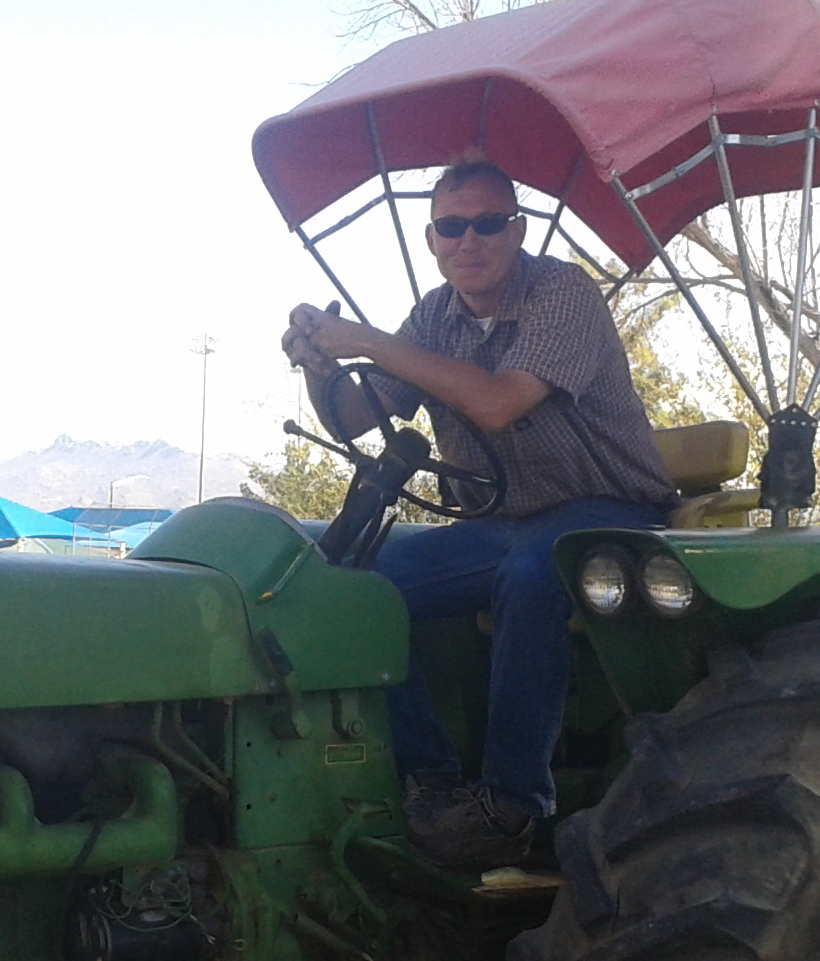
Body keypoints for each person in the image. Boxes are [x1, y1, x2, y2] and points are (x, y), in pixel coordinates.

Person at [281, 160, 675, 873]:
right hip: (500, 523)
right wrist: (317, 360)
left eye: (488, 223)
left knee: (531, 574)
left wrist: (366, 340)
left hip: (608, 511)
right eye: (452, 226)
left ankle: (511, 806)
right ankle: (431, 783)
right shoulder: (434, 317)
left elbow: (497, 402)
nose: (470, 240)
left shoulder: (563, 293)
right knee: (353, 584)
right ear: (432, 239)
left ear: (517, 230)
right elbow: (353, 416)